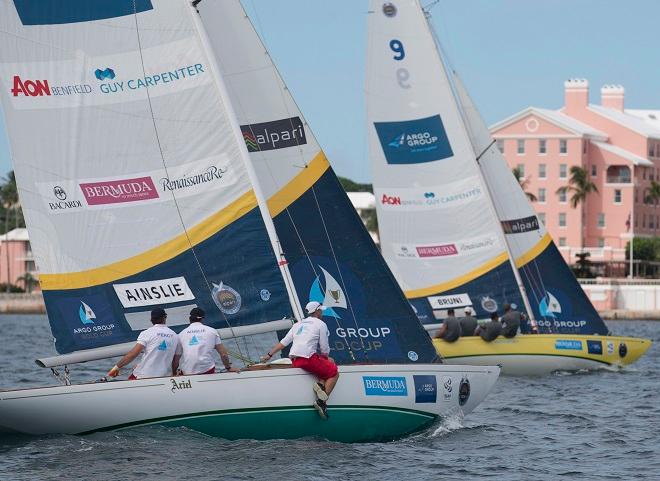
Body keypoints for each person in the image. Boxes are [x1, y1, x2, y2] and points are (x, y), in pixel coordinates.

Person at [261, 301, 339, 420]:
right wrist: (326, 357)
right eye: (321, 310)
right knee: (334, 373)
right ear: (317, 311)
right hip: (308, 359)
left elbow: (284, 342)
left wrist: (269, 355)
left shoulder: (297, 324)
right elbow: (324, 347)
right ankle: (321, 401)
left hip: (295, 360)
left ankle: (321, 385)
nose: (322, 312)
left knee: (324, 365)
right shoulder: (320, 324)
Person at [107, 308, 180, 380]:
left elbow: (133, 354)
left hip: (143, 376)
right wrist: (173, 373)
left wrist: (116, 367)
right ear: (165, 318)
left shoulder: (147, 333)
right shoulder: (175, 336)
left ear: (151, 320)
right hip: (165, 378)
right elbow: (175, 362)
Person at [177, 307, 240, 375]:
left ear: (190, 318)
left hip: (187, 372)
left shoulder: (181, 334)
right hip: (207, 370)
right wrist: (228, 368)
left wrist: (174, 372)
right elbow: (223, 354)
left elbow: (176, 358)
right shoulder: (212, 331)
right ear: (202, 319)